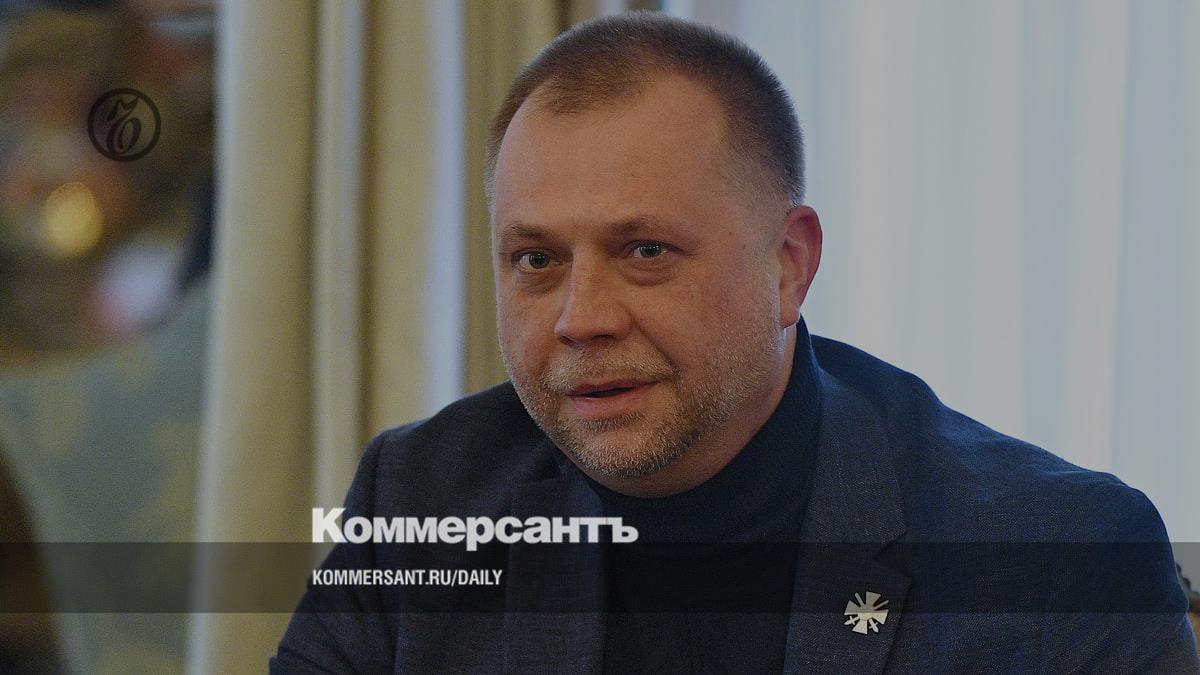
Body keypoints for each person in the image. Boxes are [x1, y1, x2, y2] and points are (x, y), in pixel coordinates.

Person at [272, 12, 1200, 673]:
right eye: (536, 259)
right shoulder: (422, 495)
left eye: (645, 250)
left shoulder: (1059, 560)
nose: (579, 317)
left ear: (789, 266)